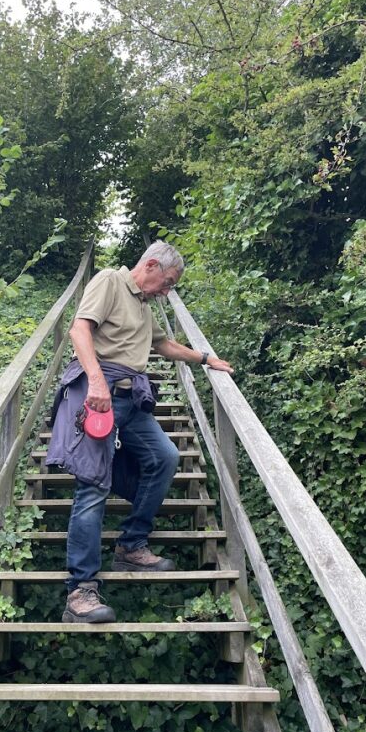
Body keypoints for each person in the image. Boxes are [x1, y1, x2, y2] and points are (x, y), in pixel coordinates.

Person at [46, 241, 234, 623]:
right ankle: (80, 592)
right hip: (100, 398)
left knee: (165, 457)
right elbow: (79, 330)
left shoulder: (145, 305)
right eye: (167, 282)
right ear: (150, 266)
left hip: (131, 401)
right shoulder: (110, 282)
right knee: (93, 487)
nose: (167, 291)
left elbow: (163, 345)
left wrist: (205, 359)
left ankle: (131, 545)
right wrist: (96, 382)